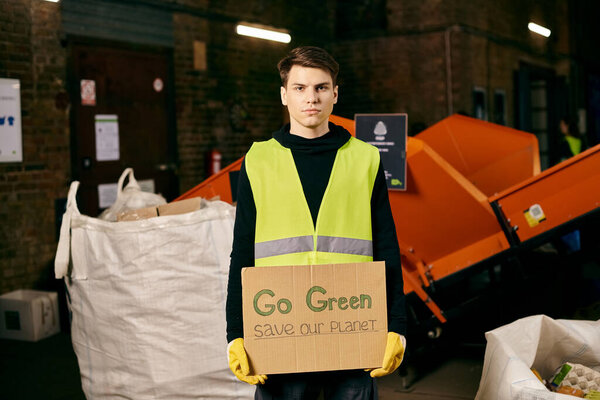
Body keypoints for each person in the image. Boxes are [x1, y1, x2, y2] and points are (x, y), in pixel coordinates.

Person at [225, 46, 407, 399]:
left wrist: (396, 326)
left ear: (335, 94)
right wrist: (236, 331)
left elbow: (386, 244)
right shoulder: (258, 160)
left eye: (321, 88)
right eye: (300, 88)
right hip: (280, 330)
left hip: (351, 326)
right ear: (284, 94)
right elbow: (242, 250)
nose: (311, 98)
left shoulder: (365, 159)